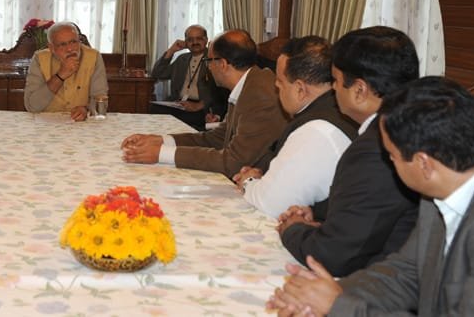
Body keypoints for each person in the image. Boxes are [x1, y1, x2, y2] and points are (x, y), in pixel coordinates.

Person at [269, 76, 474, 316]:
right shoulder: (447, 183)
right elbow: (406, 272)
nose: (389, 164)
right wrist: (319, 294)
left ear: (424, 164)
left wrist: (340, 306)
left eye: (392, 156)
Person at [277, 26, 420, 277]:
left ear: (360, 90)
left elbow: (333, 255)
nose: (332, 89)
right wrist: (321, 220)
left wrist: (293, 228)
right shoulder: (413, 126)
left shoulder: (376, 148)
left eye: (335, 81)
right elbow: (371, 217)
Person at [121, 29, 287, 179]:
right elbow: (218, 138)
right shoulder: (249, 84)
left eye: (209, 61)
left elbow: (233, 162)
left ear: (222, 64)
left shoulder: (259, 95)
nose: (208, 67)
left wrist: (162, 154)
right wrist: (161, 141)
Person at [233, 36, 357, 219]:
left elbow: (272, 205)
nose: (276, 88)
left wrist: (248, 182)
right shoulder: (333, 111)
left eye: (280, 83)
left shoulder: (317, 131)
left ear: (300, 89)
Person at [24, 21, 108, 121]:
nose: (70, 49)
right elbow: (32, 106)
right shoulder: (40, 59)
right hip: (47, 124)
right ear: (51, 48)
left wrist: (86, 109)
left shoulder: (93, 57)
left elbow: (101, 99)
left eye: (73, 42)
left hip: (81, 125)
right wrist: (60, 75)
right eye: (62, 44)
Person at [149, 24, 229, 130]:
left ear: (206, 40)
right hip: (179, 103)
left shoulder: (215, 59)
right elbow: (158, 74)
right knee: (155, 109)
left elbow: (222, 91)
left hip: (202, 105)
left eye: (199, 39)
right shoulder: (181, 59)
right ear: (186, 42)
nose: (195, 42)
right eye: (190, 40)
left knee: (190, 119)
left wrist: (201, 104)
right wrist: (171, 51)